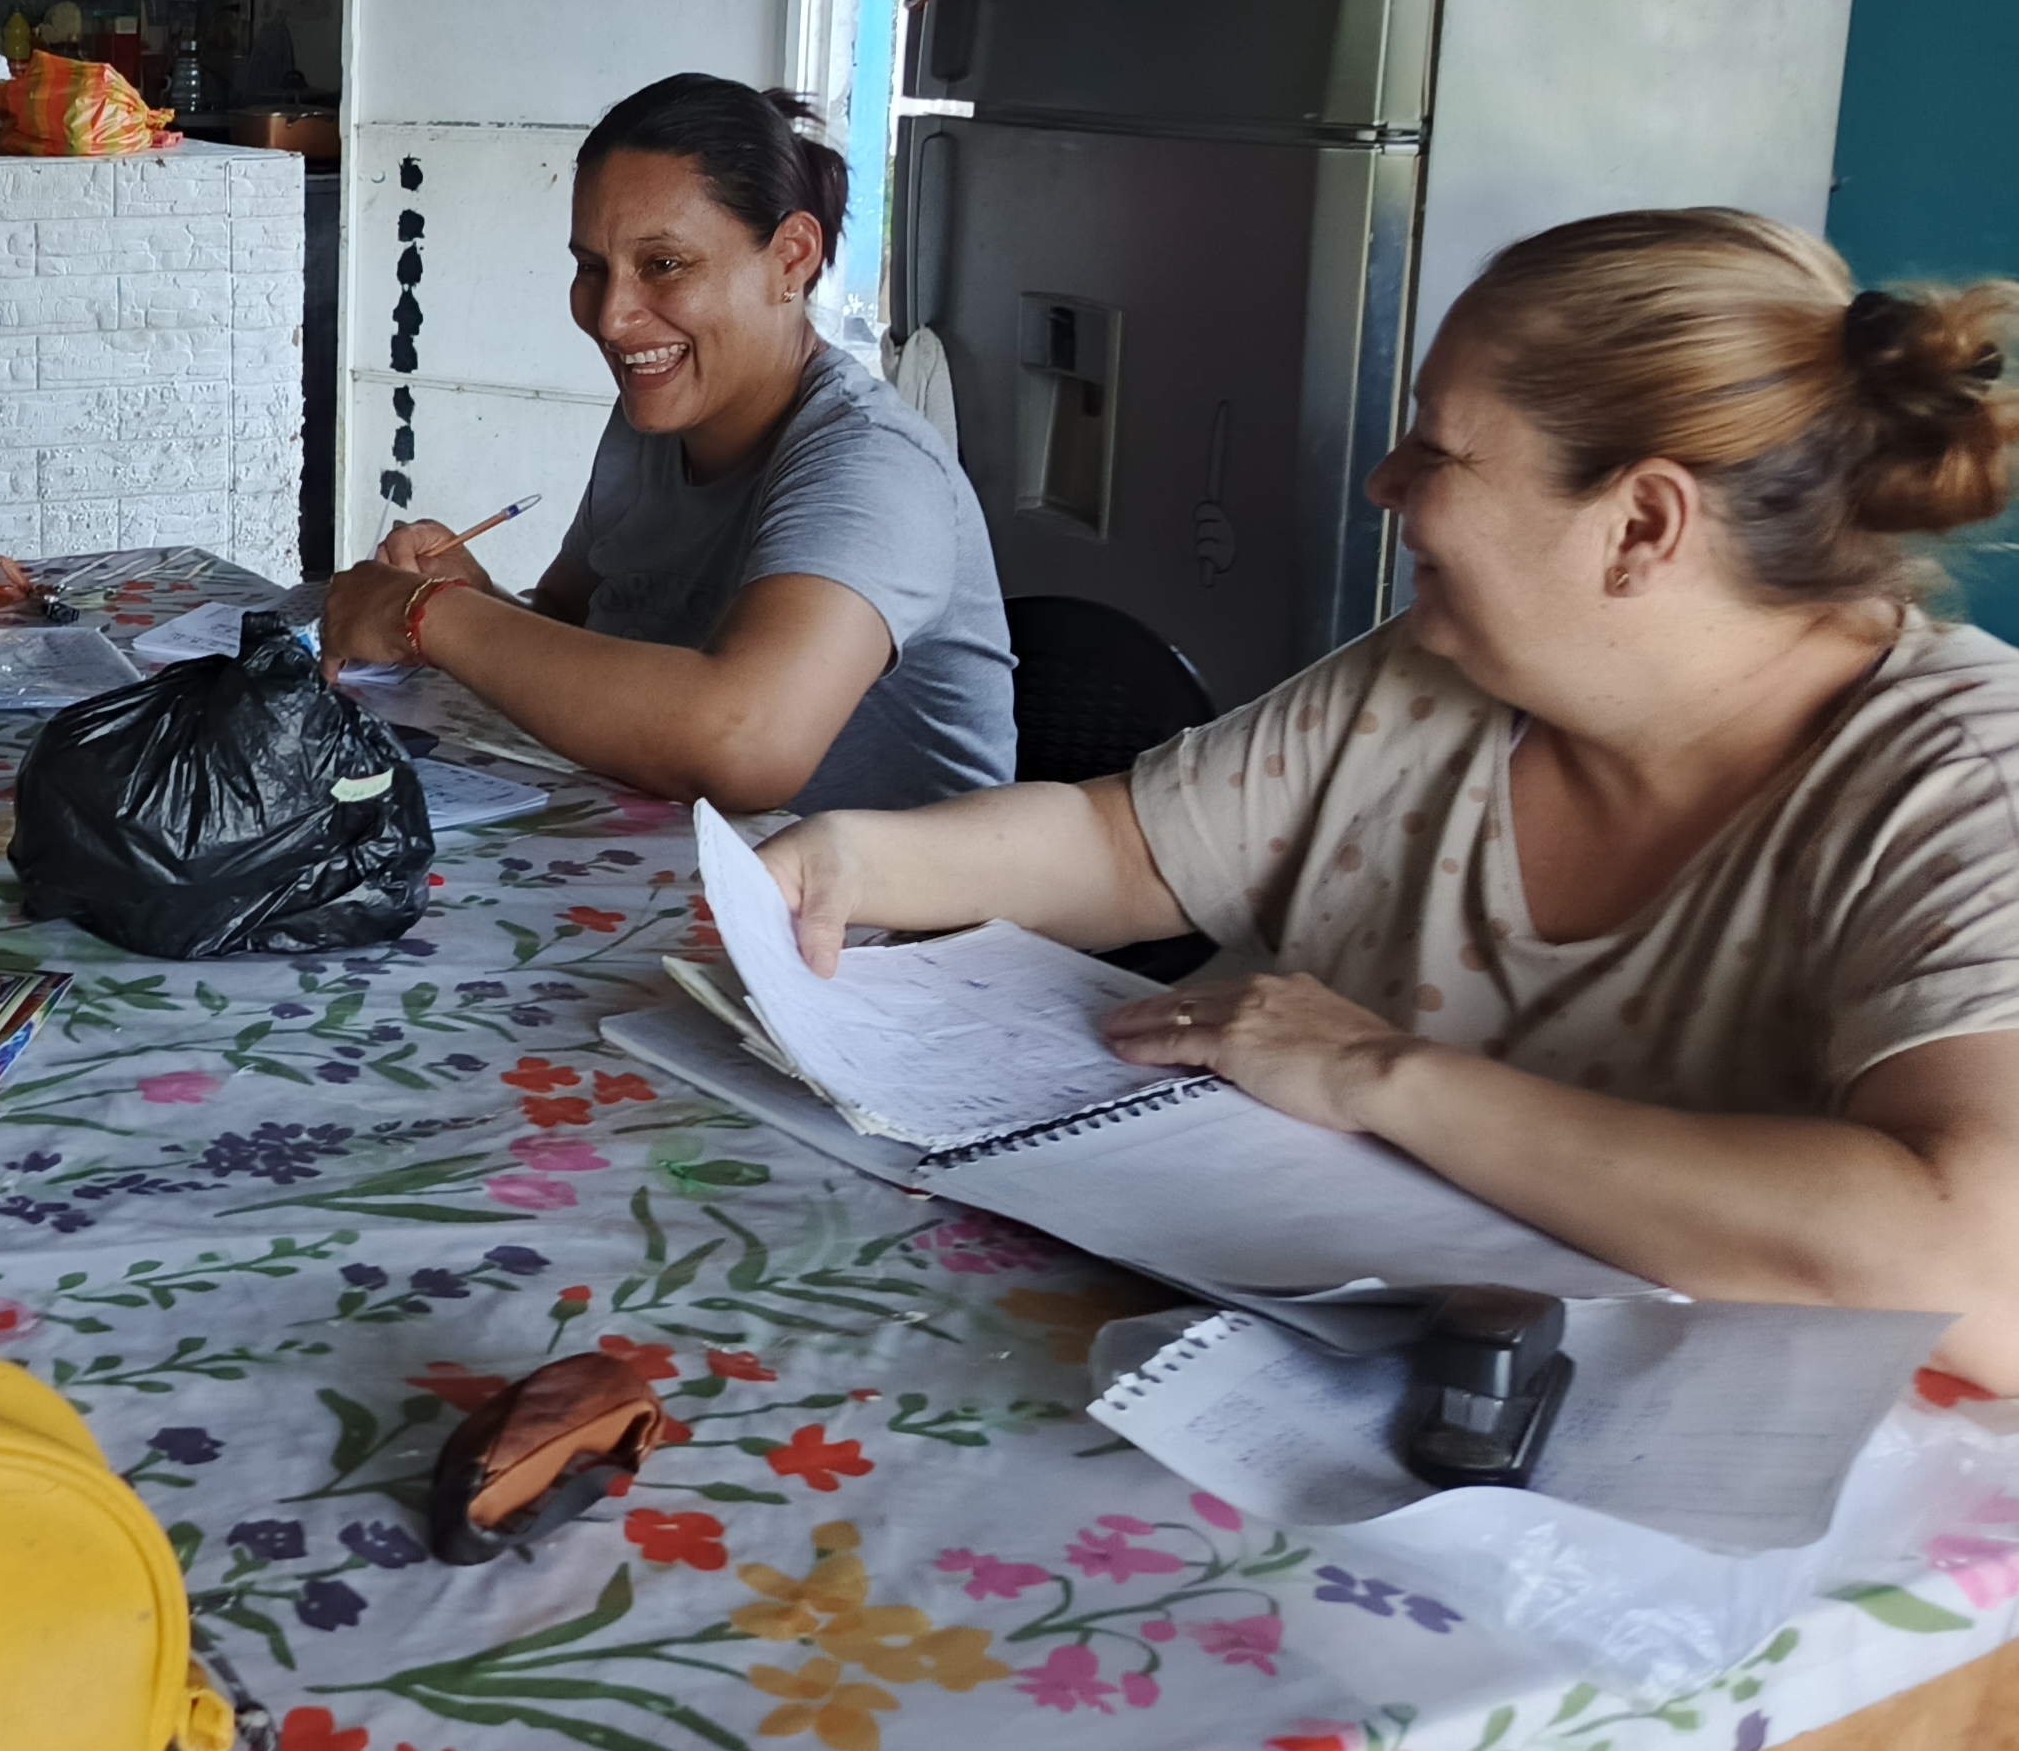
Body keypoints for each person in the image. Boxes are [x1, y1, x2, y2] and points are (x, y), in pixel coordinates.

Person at [753, 209, 2019, 1382]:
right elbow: (1125, 848)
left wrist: (1383, 1075)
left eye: (1438, 449)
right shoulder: (1441, 674)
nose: (1385, 484)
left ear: (1641, 525)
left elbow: (1975, 1267)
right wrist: (860, 863)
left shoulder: (1962, 783)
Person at [322, 73, 1014, 810]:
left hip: (855, 887)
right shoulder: (655, 421)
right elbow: (574, 632)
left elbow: (746, 741)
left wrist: (428, 616)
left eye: (664, 265)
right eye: (591, 268)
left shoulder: (874, 467)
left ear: (792, 258)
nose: (612, 318)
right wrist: (472, 594)